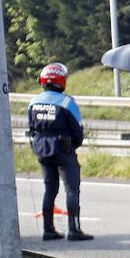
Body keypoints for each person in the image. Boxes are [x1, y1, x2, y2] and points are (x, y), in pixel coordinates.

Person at [27, 63, 92, 241]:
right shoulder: (66, 102)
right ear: (62, 81)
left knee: (50, 189)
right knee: (71, 189)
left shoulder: (33, 102)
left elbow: (31, 127)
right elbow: (78, 130)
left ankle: (48, 230)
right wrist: (73, 147)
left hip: (42, 150)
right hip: (63, 150)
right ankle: (74, 230)